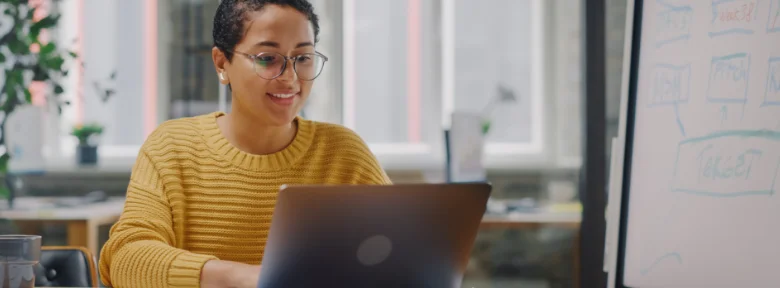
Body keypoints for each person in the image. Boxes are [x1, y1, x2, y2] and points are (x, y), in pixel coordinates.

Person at [98, 0, 391, 287]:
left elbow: (401, 253)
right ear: (221, 62)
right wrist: (240, 278)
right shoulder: (171, 148)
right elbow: (126, 259)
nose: (290, 79)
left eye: (303, 58)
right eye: (267, 58)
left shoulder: (344, 153)